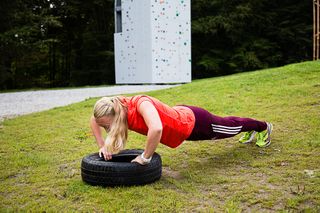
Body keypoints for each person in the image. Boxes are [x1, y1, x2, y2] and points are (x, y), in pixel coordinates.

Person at [90, 95, 273, 165]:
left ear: (116, 115)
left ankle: (263, 127)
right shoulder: (113, 106)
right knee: (232, 126)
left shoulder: (140, 104)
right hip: (181, 120)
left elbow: (156, 129)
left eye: (108, 125)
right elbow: (94, 119)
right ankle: (252, 129)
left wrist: (145, 158)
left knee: (231, 126)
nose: (107, 128)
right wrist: (102, 146)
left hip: (196, 123)